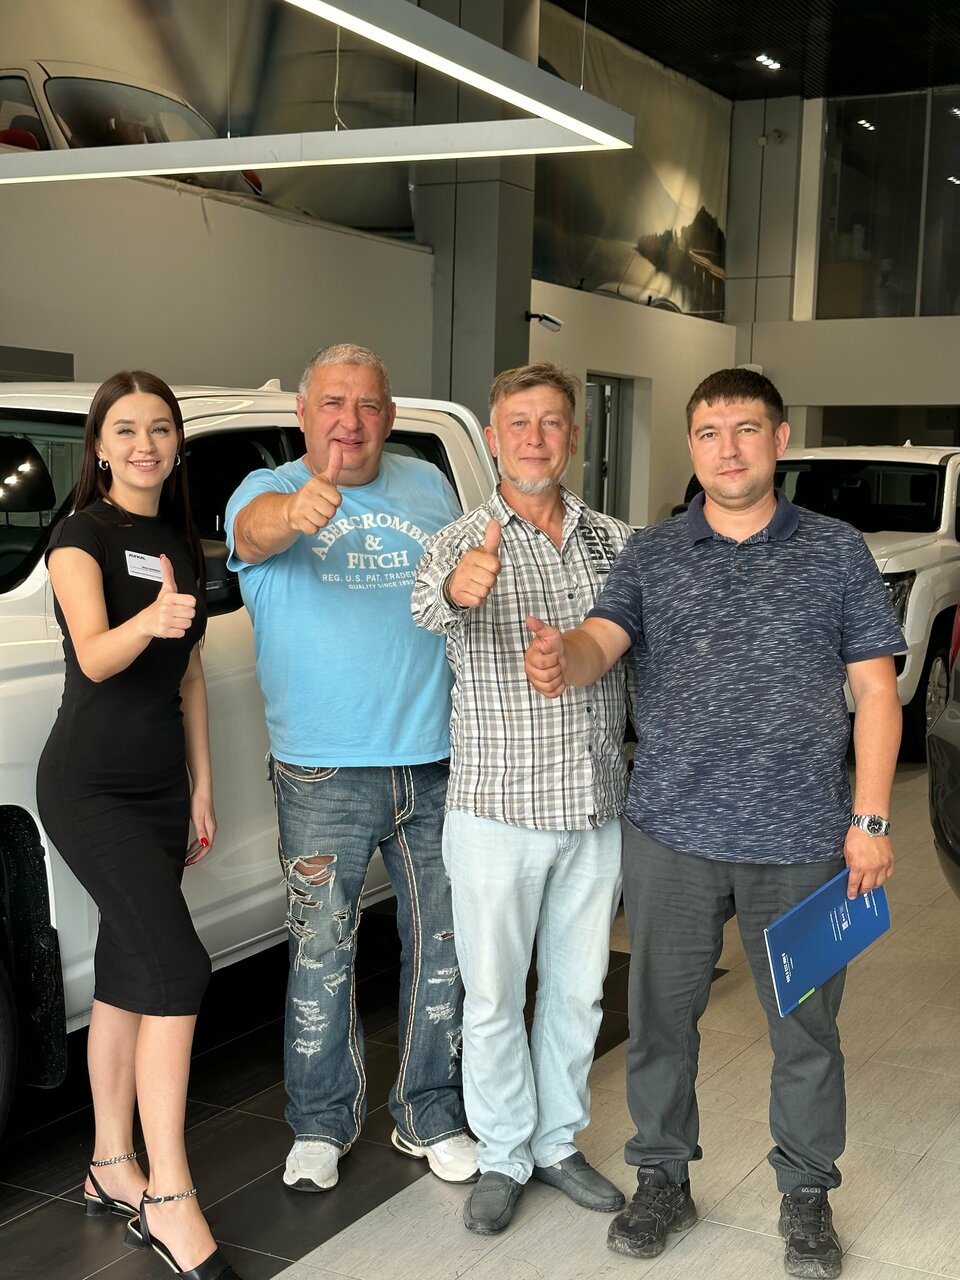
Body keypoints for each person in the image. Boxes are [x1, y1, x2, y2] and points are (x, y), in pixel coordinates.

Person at [524, 368, 904, 1278]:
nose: (726, 450)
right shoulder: (652, 553)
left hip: (803, 841)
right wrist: (562, 654)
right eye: (708, 433)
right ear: (690, 446)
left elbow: (876, 692)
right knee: (660, 1021)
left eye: (745, 430)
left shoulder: (836, 550)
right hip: (672, 837)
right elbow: (601, 641)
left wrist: (871, 818)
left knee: (805, 1031)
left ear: (779, 440)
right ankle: (663, 1178)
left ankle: (806, 1195)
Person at [225, 342, 476, 1193]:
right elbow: (252, 535)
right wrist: (296, 513)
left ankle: (429, 1111)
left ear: (390, 416)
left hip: (435, 761)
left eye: (368, 404)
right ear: (303, 414)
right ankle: (320, 1124)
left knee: (443, 947)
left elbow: (455, 593)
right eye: (333, 403)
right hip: (323, 773)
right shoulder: (264, 491)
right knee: (321, 953)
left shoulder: (429, 484)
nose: (351, 421)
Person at [411, 362, 632, 1236]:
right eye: (518, 423)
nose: (535, 438)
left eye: (551, 422)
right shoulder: (457, 542)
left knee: (578, 995)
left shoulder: (617, 543)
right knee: (496, 997)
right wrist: (461, 588)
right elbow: (432, 606)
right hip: (496, 811)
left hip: (594, 808)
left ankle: (556, 1143)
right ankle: (503, 1153)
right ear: (494, 437)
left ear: (574, 435)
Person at [36, 372, 238, 1280]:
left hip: (159, 791)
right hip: (89, 787)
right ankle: (169, 1195)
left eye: (160, 428)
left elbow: (189, 675)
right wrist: (151, 619)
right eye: (126, 429)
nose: (145, 444)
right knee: (176, 968)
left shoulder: (179, 543)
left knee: (126, 970)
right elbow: (93, 656)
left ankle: (111, 1163)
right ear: (101, 446)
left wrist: (202, 785)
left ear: (177, 444)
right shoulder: (80, 537)